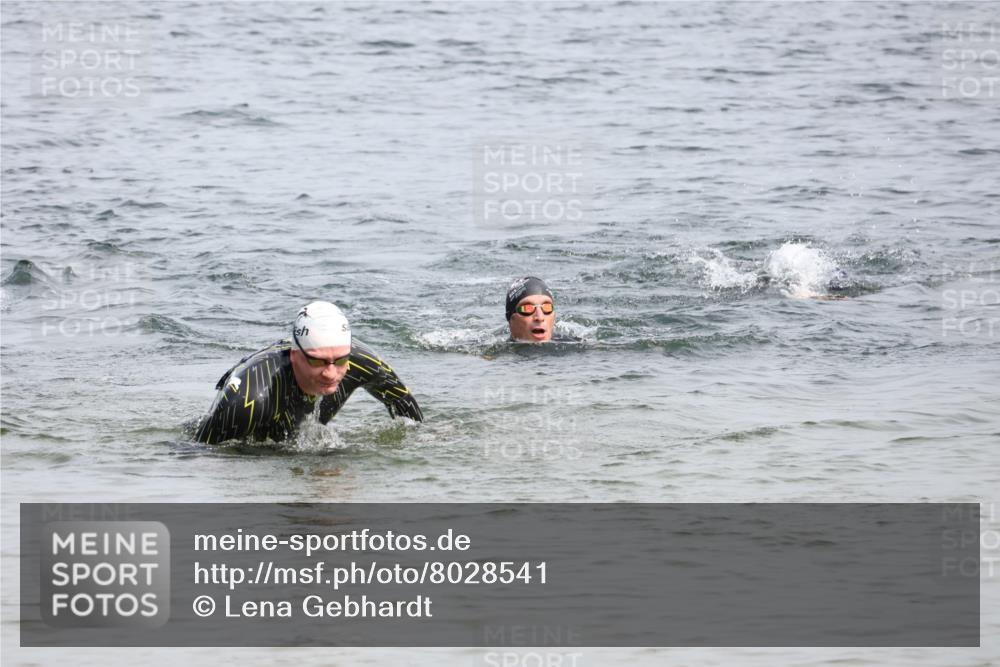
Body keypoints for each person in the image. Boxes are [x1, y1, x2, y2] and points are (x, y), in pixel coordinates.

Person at [194, 301, 422, 444]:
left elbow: (407, 411)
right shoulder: (248, 399)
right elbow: (200, 454)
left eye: (341, 359)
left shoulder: (361, 362)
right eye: (318, 361)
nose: (331, 373)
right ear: (295, 354)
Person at [505, 276, 556, 343]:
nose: (540, 317)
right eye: (527, 308)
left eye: (547, 307)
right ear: (510, 321)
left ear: (554, 317)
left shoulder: (572, 345)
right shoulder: (496, 352)